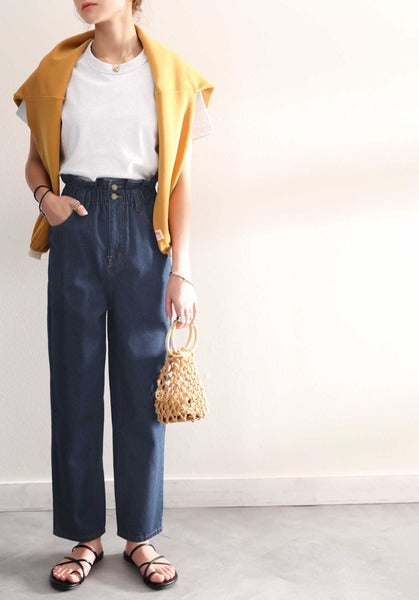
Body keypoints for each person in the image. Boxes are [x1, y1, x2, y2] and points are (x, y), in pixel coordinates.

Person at [13, 0, 215, 591]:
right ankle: (84, 537)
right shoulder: (56, 71)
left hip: (145, 232)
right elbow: (36, 161)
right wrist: (47, 200)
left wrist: (182, 271)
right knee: (74, 386)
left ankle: (140, 537)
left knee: (141, 393)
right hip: (76, 224)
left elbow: (178, 179)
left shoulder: (173, 75)